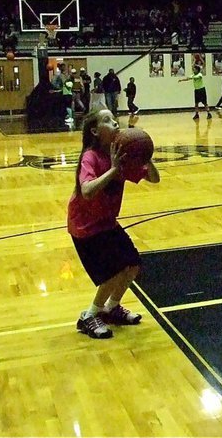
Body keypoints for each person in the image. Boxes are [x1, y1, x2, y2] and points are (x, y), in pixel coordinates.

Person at [69, 109, 160, 338]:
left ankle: (111, 308)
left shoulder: (121, 155)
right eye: (107, 121)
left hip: (107, 222)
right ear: (95, 131)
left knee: (133, 265)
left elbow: (154, 178)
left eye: (114, 119)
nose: (115, 124)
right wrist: (114, 170)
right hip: (85, 226)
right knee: (112, 273)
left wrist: (145, 156)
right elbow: (87, 190)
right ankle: (89, 316)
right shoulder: (90, 156)